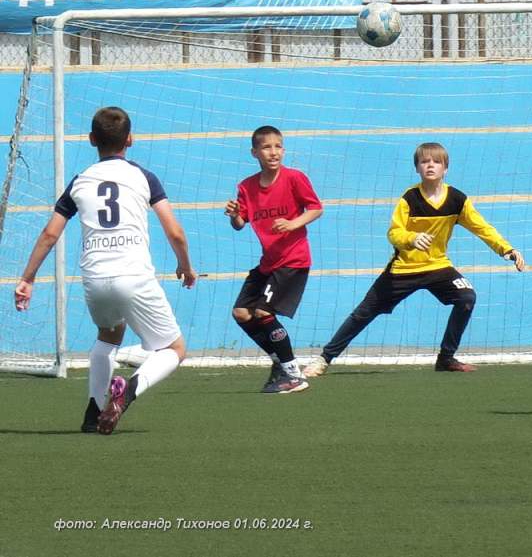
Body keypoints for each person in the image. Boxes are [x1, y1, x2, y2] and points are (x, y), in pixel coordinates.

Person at [14, 106, 196, 434]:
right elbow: (175, 232)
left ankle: (93, 413)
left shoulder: (80, 181)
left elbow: (50, 234)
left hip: (95, 279)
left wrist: (27, 278)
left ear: (91, 139)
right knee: (174, 348)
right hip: (134, 275)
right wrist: (185, 265)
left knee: (109, 334)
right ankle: (127, 392)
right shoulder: (144, 177)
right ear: (130, 139)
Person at [303, 142, 525, 377]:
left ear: (446, 168)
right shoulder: (409, 198)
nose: (430, 165)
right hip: (403, 269)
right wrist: (412, 238)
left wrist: (506, 249)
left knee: (466, 297)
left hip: (438, 266)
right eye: (424, 161)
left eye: (437, 161)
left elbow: (482, 227)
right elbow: (394, 233)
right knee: (364, 312)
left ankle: (446, 358)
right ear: (417, 168)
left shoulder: (457, 199)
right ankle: (324, 358)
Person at [225, 125, 323, 393]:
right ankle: (279, 361)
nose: (273, 152)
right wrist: (234, 214)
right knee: (241, 313)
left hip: (293, 260)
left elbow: (316, 208)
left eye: (278, 146)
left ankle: (293, 374)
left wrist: (293, 223)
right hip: (268, 262)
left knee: (263, 313)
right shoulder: (247, 186)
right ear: (254, 152)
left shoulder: (294, 178)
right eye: (266, 147)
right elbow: (240, 223)